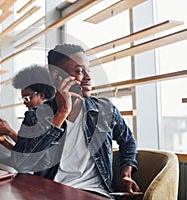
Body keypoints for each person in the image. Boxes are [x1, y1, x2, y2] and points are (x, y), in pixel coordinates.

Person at [10, 44, 140, 198]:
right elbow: (21, 164)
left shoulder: (105, 110)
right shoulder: (36, 115)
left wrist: (126, 174)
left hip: (95, 193)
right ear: (56, 76)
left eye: (88, 70)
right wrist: (61, 113)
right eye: (79, 71)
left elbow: (128, 141)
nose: (88, 77)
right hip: (50, 192)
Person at [0, 64, 56, 150]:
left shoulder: (50, 118)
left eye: (27, 98)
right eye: (23, 99)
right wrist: (3, 140)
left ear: (41, 95)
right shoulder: (33, 117)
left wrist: (9, 131)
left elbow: (34, 151)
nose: (25, 103)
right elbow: (22, 154)